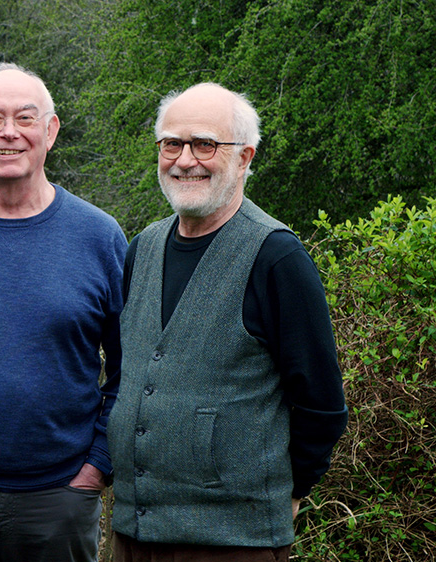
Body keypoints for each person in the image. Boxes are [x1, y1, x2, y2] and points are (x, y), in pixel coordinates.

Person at [108, 83, 348, 561]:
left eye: (205, 144)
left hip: (234, 542)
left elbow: (322, 404)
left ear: (244, 158)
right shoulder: (143, 248)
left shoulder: (277, 257)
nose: (184, 159)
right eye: (172, 144)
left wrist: (288, 491)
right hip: (134, 534)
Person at [0, 63, 128, 562]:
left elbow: (132, 367)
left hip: (60, 497)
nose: (9, 132)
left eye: (25, 118)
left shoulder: (99, 237)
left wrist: (96, 468)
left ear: (50, 132)